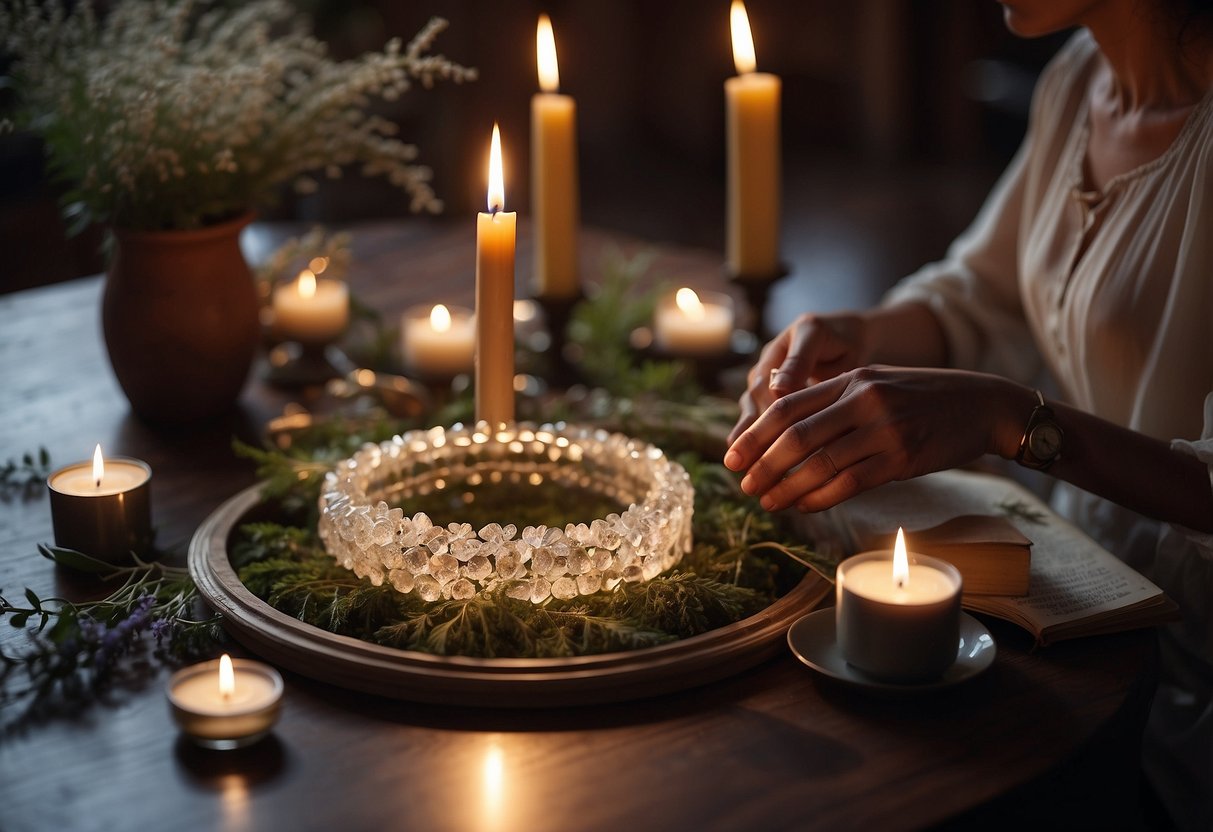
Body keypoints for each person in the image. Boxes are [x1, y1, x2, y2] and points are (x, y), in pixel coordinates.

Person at [724, 0, 1213, 828]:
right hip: (1081, 602)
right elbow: (982, 295)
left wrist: (1003, 419)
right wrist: (855, 333)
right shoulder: (1079, 79)